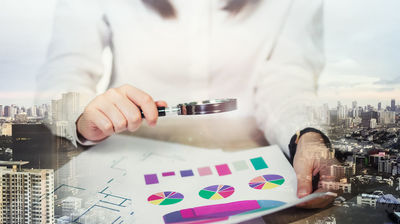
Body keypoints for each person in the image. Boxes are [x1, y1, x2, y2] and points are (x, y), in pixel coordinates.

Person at [37, 0, 336, 208]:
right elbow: (64, 71)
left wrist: (305, 134)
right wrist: (81, 115)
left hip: (245, 167)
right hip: (128, 163)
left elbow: (288, 77)